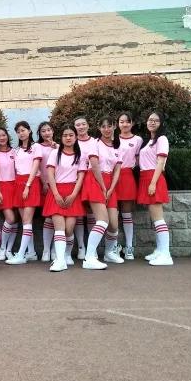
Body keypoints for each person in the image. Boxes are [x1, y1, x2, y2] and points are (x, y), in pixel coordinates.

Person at [42, 125, 86, 271]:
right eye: (65, 135)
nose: (68, 138)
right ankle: (60, 260)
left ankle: (67, 254)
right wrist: (55, 194)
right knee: (59, 228)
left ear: (75, 137)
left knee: (69, 229)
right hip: (56, 191)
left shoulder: (80, 155)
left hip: (73, 192)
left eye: (71, 135)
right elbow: (50, 174)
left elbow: (81, 177)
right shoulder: (55, 153)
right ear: (61, 138)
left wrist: (73, 195)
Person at [81, 116, 123, 270]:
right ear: (99, 128)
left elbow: (117, 170)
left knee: (113, 224)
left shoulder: (118, 147)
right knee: (102, 220)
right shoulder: (95, 144)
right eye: (103, 126)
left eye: (109, 126)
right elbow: (94, 165)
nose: (106, 129)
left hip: (110, 183)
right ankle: (89, 257)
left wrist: (110, 188)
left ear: (114, 127)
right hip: (95, 180)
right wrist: (103, 187)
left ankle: (109, 253)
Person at [138, 111, 173, 266]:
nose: (152, 122)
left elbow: (160, 162)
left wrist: (153, 183)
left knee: (158, 219)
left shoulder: (162, 139)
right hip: (145, 178)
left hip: (154, 178)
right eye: (150, 119)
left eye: (156, 120)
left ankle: (166, 255)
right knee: (155, 218)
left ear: (161, 123)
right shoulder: (150, 141)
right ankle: (159, 250)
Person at [5, 121, 42, 265]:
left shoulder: (36, 147)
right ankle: (31, 252)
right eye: (18, 131)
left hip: (31, 183)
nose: (21, 133)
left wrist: (28, 185)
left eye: (23, 130)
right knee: (26, 222)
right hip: (18, 184)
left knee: (26, 220)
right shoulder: (16, 150)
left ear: (29, 130)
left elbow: (35, 167)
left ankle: (20, 255)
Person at [116, 112, 143, 260]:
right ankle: (114, 247)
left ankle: (129, 247)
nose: (125, 124)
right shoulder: (112, 138)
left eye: (127, 121)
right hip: (113, 176)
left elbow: (139, 159)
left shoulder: (138, 140)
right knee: (113, 214)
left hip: (127, 176)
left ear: (132, 123)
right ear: (118, 124)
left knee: (127, 213)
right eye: (122, 121)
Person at [0, 127, 18, 260]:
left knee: (16, 220)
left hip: (16, 186)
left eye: (4, 135)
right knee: (10, 219)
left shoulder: (15, 151)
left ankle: (9, 250)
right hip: (3, 187)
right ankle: (2, 248)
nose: (2, 138)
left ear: (7, 136)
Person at [37, 121, 59, 263]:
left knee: (55, 217)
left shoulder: (59, 146)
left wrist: (56, 147)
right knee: (48, 217)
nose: (47, 133)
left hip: (58, 186)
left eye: (49, 130)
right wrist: (44, 183)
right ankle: (46, 250)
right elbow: (37, 167)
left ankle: (54, 250)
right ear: (40, 133)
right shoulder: (37, 147)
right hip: (43, 185)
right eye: (43, 131)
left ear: (53, 131)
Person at [73, 115, 94, 259]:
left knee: (91, 211)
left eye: (83, 124)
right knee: (79, 213)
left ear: (88, 125)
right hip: (75, 180)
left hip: (91, 179)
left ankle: (92, 249)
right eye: (78, 125)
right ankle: (81, 246)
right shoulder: (71, 141)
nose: (81, 127)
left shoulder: (95, 142)